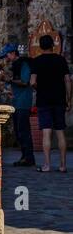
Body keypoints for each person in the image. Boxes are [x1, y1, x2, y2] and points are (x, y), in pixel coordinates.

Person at [29, 35, 71, 173]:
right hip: (59, 100)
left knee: (46, 133)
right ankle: (63, 165)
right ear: (53, 45)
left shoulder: (37, 61)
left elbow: (32, 82)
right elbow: (68, 80)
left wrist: (39, 88)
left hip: (44, 100)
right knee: (60, 132)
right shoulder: (61, 60)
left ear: (40, 46)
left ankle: (47, 165)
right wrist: (68, 99)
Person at [3, 44, 34, 167]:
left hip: (23, 102)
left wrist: (9, 80)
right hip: (17, 102)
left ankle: (28, 157)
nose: (6, 58)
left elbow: (25, 81)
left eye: (7, 55)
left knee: (23, 131)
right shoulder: (16, 65)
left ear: (13, 53)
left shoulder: (23, 64)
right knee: (18, 131)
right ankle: (24, 156)